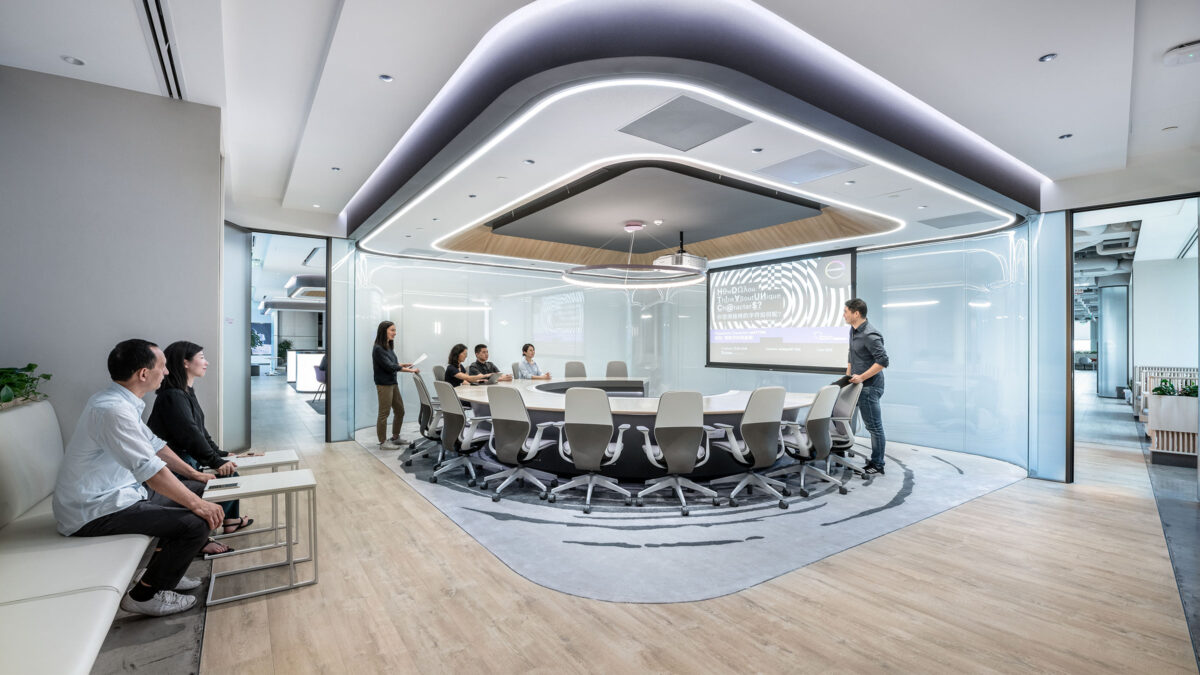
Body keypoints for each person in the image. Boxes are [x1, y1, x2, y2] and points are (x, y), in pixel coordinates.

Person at [53, 339, 226, 617]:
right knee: (195, 523)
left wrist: (195, 475)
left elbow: (156, 445)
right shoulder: (113, 411)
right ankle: (145, 595)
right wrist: (197, 505)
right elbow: (151, 471)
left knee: (197, 489)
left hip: (120, 494)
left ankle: (163, 572)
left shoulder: (121, 402)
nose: (167, 373)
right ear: (143, 374)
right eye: (163, 367)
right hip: (93, 510)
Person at [148, 341, 254, 535]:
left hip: (186, 461)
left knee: (229, 473)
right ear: (185, 363)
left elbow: (200, 431)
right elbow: (190, 435)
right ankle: (219, 526)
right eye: (202, 358)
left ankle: (230, 520)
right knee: (228, 476)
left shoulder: (185, 392)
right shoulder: (173, 396)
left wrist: (220, 454)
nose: (207, 363)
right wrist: (215, 460)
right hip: (176, 467)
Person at [843, 298, 890, 475]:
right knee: (841, 418)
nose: (843, 315)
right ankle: (839, 450)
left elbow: (883, 361)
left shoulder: (870, 335)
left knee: (874, 427)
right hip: (854, 385)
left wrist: (861, 377)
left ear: (856, 313)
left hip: (870, 387)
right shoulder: (853, 330)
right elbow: (851, 354)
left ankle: (878, 464)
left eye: (846, 312)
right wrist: (847, 377)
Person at [372, 321, 420, 446]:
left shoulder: (388, 346)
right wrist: (410, 371)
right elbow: (389, 366)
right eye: (392, 330)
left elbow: (392, 363)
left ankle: (395, 437)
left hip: (392, 382)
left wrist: (404, 365)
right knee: (384, 413)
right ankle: (383, 442)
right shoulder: (378, 348)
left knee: (400, 411)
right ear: (384, 331)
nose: (395, 333)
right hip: (384, 384)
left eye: (395, 330)